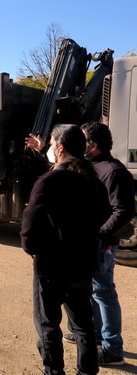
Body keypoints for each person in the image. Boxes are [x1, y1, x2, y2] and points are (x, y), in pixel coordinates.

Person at [21, 124, 112, 375]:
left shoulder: (49, 181)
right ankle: (87, 372)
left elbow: (29, 224)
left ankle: (54, 372)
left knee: (48, 324)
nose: (50, 149)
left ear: (60, 148)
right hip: (82, 264)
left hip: (50, 266)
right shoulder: (93, 181)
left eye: (51, 145)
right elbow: (104, 214)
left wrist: (32, 250)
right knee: (83, 325)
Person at [63, 122, 135, 366]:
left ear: (92, 146)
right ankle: (93, 335)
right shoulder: (91, 166)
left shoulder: (113, 171)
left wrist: (100, 233)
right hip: (89, 240)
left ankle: (113, 349)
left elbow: (125, 210)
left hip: (101, 243)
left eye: (83, 140)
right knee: (93, 290)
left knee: (103, 291)